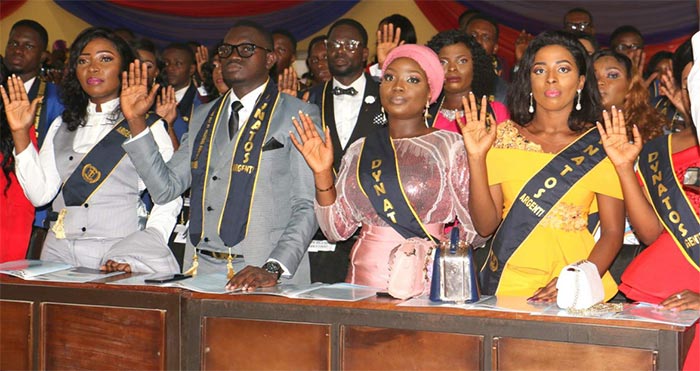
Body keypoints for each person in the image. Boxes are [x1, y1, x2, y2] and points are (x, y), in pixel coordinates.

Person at [122, 20, 320, 290]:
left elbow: (307, 205)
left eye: (247, 49)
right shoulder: (204, 115)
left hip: (261, 269)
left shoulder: (296, 113)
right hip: (199, 267)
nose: (234, 56)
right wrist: (135, 121)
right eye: (226, 50)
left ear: (270, 58)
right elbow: (165, 190)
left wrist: (273, 267)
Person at [291, 44, 480, 289]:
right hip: (364, 281)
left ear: (429, 92)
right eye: (389, 77)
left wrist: (437, 254)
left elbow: (474, 231)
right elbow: (335, 231)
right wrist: (322, 173)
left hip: (426, 278)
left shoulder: (450, 146)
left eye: (412, 79)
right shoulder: (361, 149)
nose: (398, 86)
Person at [461, 31, 624, 301]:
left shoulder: (600, 144)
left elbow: (612, 232)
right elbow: (485, 225)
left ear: (581, 81)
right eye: (540, 69)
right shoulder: (502, 136)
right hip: (509, 280)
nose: (551, 78)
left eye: (563, 68)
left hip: (576, 284)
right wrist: (476, 158)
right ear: (528, 80)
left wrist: (579, 279)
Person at [4, 27, 181, 273]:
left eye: (105, 59)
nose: (93, 68)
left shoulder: (148, 124)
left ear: (125, 68)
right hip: (58, 253)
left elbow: (169, 197)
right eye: (83, 61)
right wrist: (21, 134)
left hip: (119, 255)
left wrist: (143, 247)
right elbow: (40, 195)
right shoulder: (61, 125)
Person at [596, 45, 697, 370]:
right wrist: (625, 167)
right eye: (690, 81)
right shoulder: (659, 150)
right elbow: (651, 233)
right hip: (664, 290)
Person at [305, 19, 384, 283]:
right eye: (334, 44)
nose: (340, 50)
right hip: (321, 226)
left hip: (373, 222)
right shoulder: (310, 97)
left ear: (364, 53)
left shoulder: (386, 94)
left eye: (350, 44)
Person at [426, 30, 509, 133]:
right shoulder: (422, 113)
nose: (452, 68)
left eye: (462, 61)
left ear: (476, 65)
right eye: (443, 62)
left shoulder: (496, 112)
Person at [593, 50, 667, 142]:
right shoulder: (576, 130)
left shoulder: (653, 129)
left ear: (631, 83)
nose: (599, 82)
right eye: (593, 77)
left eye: (612, 75)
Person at [161, 43, 202, 144]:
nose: (170, 68)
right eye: (166, 63)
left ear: (191, 69)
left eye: (178, 64)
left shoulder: (200, 101)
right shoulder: (153, 97)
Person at [464, 14, 509, 103]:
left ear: (495, 48)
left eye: (485, 37)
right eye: (473, 35)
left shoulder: (503, 91)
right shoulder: (447, 79)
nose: (478, 41)